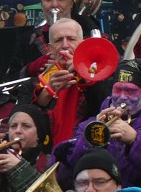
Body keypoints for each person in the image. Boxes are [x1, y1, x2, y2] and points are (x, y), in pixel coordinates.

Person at [54, 59, 141, 192]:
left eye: (131, 91)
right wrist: (86, 142)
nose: (122, 97)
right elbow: (60, 174)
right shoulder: (90, 125)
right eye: (118, 90)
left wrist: (136, 141)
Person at [30, 18, 110, 146]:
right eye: (58, 40)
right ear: (50, 48)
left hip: (84, 150)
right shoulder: (36, 82)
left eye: (71, 39)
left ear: (82, 43)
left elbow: (105, 107)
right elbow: (26, 119)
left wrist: (84, 73)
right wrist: (46, 94)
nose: (65, 45)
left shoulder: (100, 75)